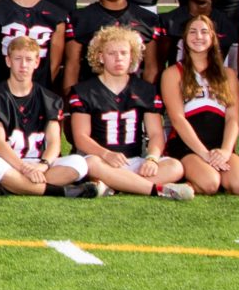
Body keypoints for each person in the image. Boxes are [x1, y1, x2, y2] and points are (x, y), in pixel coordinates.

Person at [64, 26, 191, 199]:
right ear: (100, 56)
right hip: (102, 159)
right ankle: (156, 190)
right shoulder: (84, 91)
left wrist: (152, 158)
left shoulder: (145, 90)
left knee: (176, 166)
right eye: (112, 53)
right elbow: (80, 138)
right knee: (90, 163)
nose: (119, 59)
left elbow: (155, 133)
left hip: (134, 160)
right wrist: (106, 154)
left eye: (124, 53)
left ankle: (114, 186)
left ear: (132, 56)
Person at [0, 33, 92, 196]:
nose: (23, 65)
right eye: (17, 59)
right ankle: (59, 191)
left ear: (37, 62)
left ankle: (13, 187)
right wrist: (23, 168)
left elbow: (54, 143)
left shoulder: (50, 99)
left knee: (80, 163)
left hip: (39, 163)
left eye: (29, 59)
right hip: (8, 162)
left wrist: (42, 166)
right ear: (8, 61)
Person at [161, 14, 239, 196]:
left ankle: (200, 175)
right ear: (185, 39)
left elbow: (233, 118)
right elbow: (178, 119)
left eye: (204, 32)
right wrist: (204, 153)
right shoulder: (172, 73)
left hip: (219, 146)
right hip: (188, 147)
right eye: (192, 32)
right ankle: (183, 185)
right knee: (210, 183)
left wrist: (225, 151)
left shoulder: (228, 75)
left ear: (212, 38)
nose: (198, 37)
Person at [66, 0, 164, 90]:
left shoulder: (148, 20)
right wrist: (71, 102)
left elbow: (151, 68)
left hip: (133, 97)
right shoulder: (80, 18)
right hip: (93, 96)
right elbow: (72, 65)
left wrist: (147, 100)